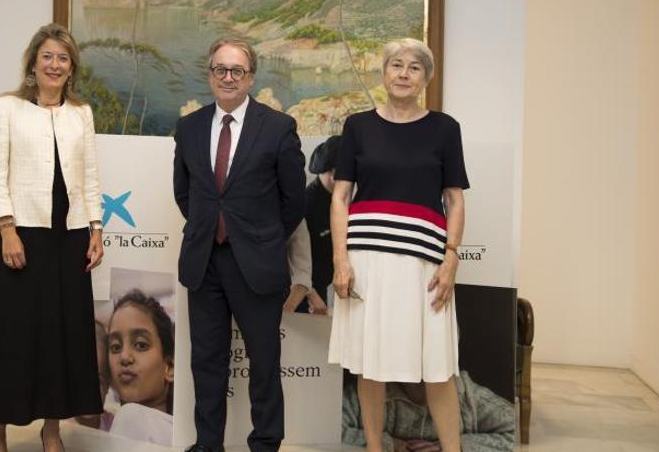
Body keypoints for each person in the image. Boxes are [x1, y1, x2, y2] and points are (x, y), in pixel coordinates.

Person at [329, 38, 470, 452]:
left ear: (425, 78)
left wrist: (451, 259)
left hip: (424, 262)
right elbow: (340, 196)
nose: (404, 73)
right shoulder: (358, 126)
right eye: (396, 65)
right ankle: (375, 448)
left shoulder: (445, 129)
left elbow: (455, 199)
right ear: (384, 73)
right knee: (370, 365)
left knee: (437, 366)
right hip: (366, 259)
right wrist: (341, 259)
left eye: (414, 67)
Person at [0, 23, 105, 452]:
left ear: (71, 68)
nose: (54, 64)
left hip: (69, 236)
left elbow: (90, 175)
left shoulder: (80, 113)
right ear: (33, 62)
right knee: (11, 335)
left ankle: (51, 428)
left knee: (61, 336)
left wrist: (96, 227)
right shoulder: (6, 107)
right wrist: (6, 229)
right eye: (47, 56)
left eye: (63, 58)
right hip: (22, 233)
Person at [173, 38, 306, 452]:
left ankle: (265, 443)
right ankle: (207, 443)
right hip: (204, 261)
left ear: (250, 77)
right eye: (220, 69)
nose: (227, 78)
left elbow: (295, 200)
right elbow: (185, 193)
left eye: (237, 71)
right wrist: (209, 226)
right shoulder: (190, 127)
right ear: (209, 74)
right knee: (206, 361)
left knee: (264, 363)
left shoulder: (277, 127)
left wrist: (261, 237)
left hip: (256, 263)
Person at [341, 371, 514, 452]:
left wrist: (460, 446)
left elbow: (513, 430)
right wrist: (390, 443)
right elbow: (331, 428)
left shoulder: (469, 397)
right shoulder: (371, 394)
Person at [104, 289, 175, 446]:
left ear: (169, 367)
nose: (124, 357)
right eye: (115, 347)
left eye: (141, 345)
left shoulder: (130, 417)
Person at [284, 136, 342, 315]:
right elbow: (293, 256)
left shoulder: (339, 201)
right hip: (300, 293)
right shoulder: (306, 203)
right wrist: (311, 294)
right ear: (333, 174)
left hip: (321, 288)